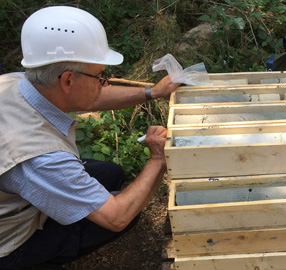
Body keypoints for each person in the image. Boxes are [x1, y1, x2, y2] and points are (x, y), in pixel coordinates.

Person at [0, 6, 179, 269]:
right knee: (125, 215)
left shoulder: (18, 83)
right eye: (100, 77)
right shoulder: (40, 158)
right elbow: (117, 217)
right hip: (8, 242)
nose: (103, 83)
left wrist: (152, 92)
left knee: (111, 174)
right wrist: (158, 159)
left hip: (17, 193)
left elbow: (91, 97)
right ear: (68, 80)